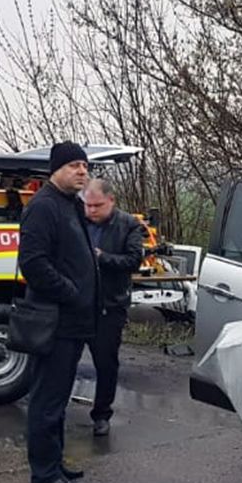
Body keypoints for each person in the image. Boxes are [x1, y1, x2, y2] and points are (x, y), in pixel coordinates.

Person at [18, 141, 98, 483]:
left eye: (84, 165)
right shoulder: (44, 207)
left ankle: (55, 463)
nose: (82, 171)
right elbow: (34, 263)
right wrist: (71, 292)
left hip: (73, 320)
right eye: (73, 166)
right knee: (47, 400)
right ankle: (44, 475)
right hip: (55, 319)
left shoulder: (70, 205)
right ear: (56, 170)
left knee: (59, 398)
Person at [81, 178, 146, 437]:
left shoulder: (128, 224)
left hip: (110, 304)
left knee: (106, 363)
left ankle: (102, 414)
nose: (92, 211)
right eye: (88, 205)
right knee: (64, 360)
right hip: (80, 302)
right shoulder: (78, 221)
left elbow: (133, 261)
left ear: (111, 201)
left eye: (97, 205)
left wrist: (102, 258)